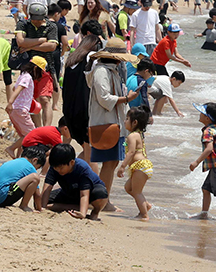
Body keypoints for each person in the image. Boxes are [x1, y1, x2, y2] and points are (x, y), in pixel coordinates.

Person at [86, 38, 140, 212]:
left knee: (112, 163)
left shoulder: (110, 71)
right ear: (116, 58)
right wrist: (126, 99)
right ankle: (101, 201)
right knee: (109, 164)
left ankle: (104, 199)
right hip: (107, 123)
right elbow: (104, 98)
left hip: (114, 123)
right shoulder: (102, 71)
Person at [16, 2, 59, 127]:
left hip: (46, 67)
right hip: (28, 67)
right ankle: (37, 129)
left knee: (45, 99)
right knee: (31, 100)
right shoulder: (23, 24)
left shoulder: (51, 26)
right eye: (34, 18)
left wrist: (29, 47)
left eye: (39, 19)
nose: (36, 21)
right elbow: (20, 41)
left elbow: (51, 46)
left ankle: (46, 129)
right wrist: (41, 41)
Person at [62, 34, 101, 170]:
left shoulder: (72, 59)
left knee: (86, 149)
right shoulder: (92, 57)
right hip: (85, 111)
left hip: (69, 111)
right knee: (91, 154)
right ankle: (95, 188)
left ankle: (73, 177)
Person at [41, 144, 108, 220]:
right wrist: (43, 207)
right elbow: (47, 189)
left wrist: (82, 214)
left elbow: (84, 195)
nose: (58, 170)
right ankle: (77, 208)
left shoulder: (82, 168)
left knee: (100, 193)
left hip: (89, 191)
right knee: (41, 201)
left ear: (72, 162)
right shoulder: (54, 168)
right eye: (55, 168)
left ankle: (94, 212)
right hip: (69, 191)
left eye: (61, 168)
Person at [5, 57, 46, 159]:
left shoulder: (22, 75)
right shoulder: (27, 77)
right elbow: (18, 89)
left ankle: (20, 157)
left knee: (25, 136)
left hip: (17, 110)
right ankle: (11, 148)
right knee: (32, 135)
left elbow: (15, 88)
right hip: (20, 110)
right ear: (36, 68)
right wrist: (10, 102)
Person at [117, 105, 153, 220]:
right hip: (141, 166)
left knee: (137, 192)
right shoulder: (139, 135)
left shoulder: (132, 136)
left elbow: (131, 152)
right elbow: (143, 151)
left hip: (140, 167)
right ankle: (145, 204)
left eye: (127, 119)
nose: (125, 121)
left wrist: (122, 166)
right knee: (129, 188)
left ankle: (144, 214)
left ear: (134, 122)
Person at [0, 145, 47, 212]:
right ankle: (24, 206)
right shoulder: (30, 167)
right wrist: (39, 209)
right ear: (35, 160)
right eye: (37, 167)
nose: (36, 169)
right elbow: (37, 195)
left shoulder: (11, 162)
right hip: (2, 198)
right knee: (35, 177)